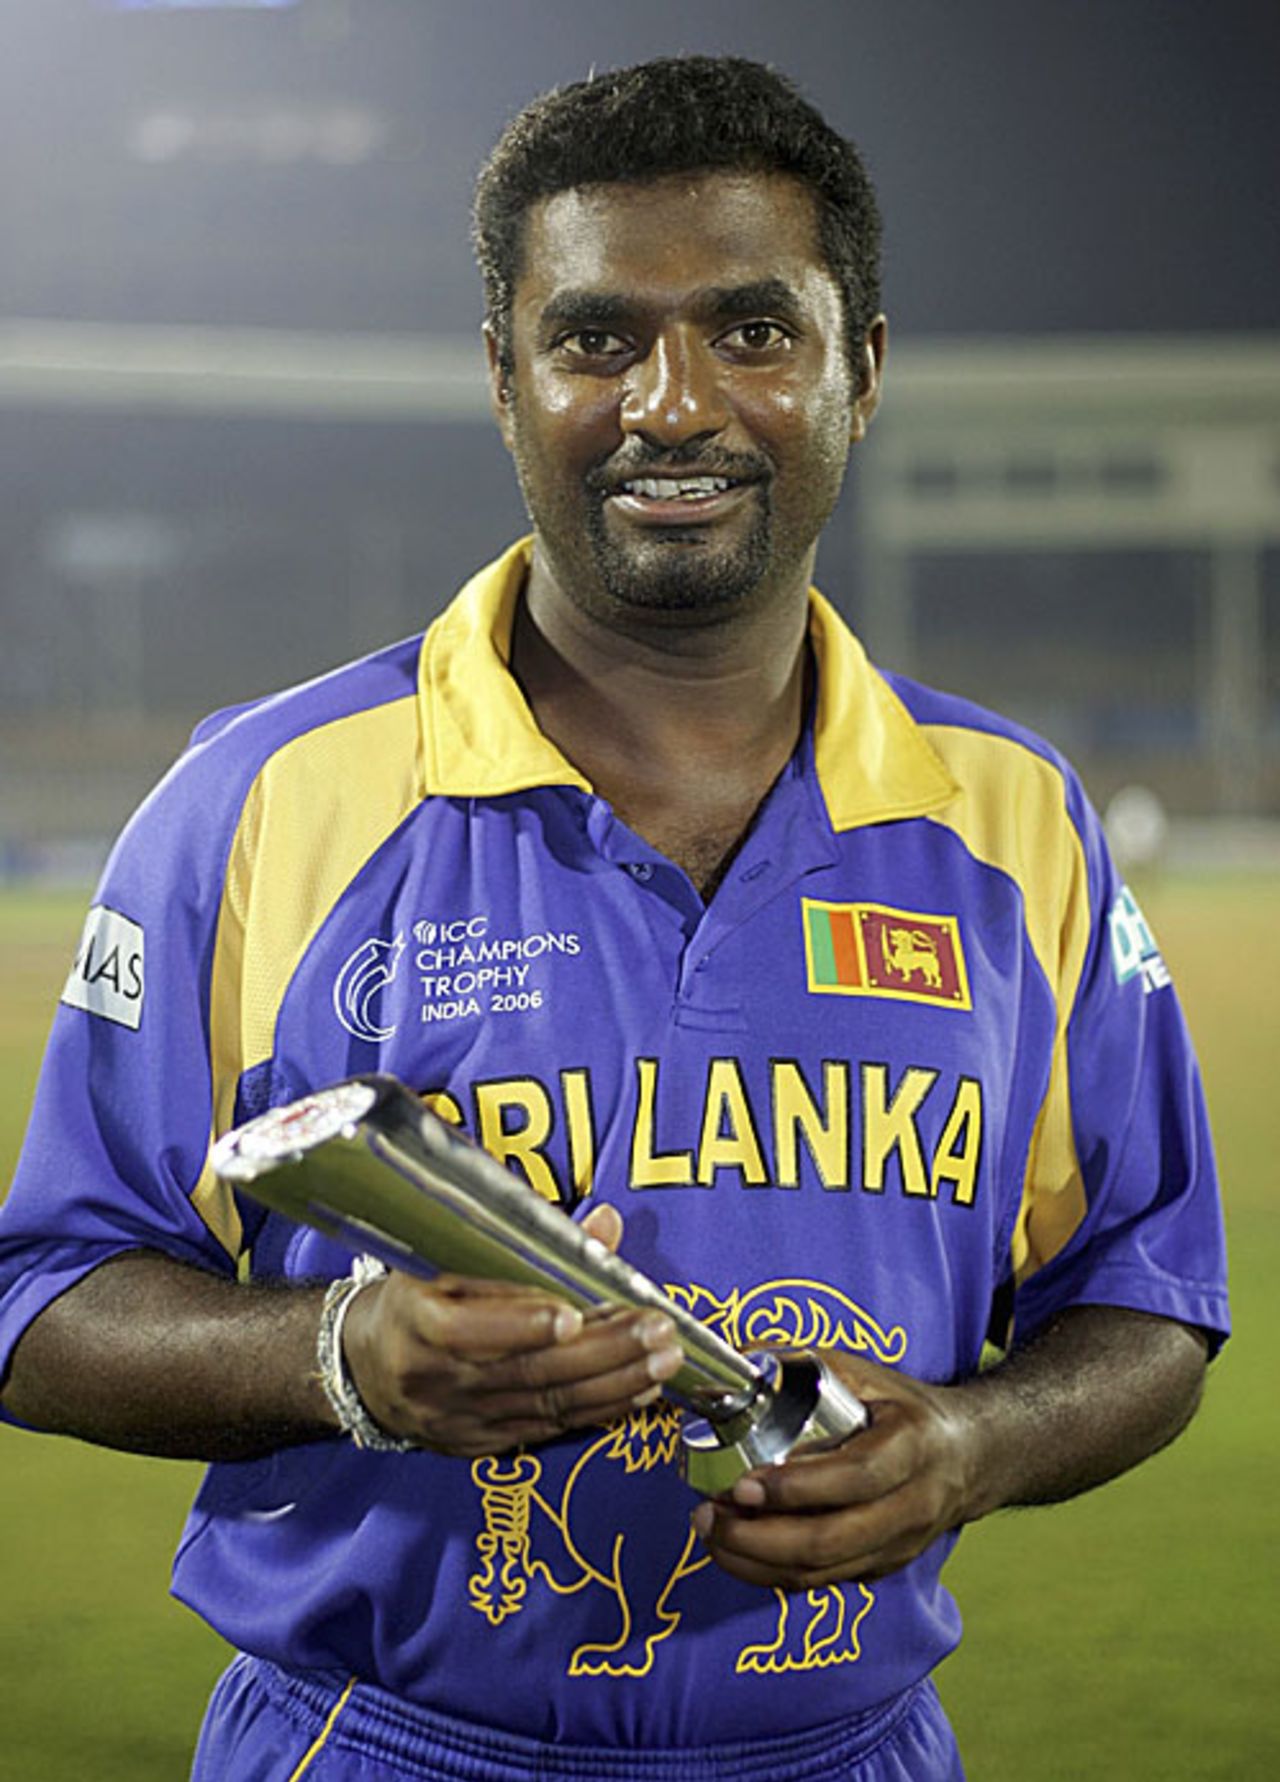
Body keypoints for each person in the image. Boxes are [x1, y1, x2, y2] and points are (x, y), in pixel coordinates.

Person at [0, 55, 1228, 1782]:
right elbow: (43, 1300)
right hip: (376, 1743)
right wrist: (346, 1356)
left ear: (859, 373)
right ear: (502, 381)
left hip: (853, 1747)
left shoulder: (1016, 820)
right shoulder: (264, 799)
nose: (673, 402)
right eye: (594, 342)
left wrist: (971, 1441)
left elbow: (1151, 1297)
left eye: (753, 331)